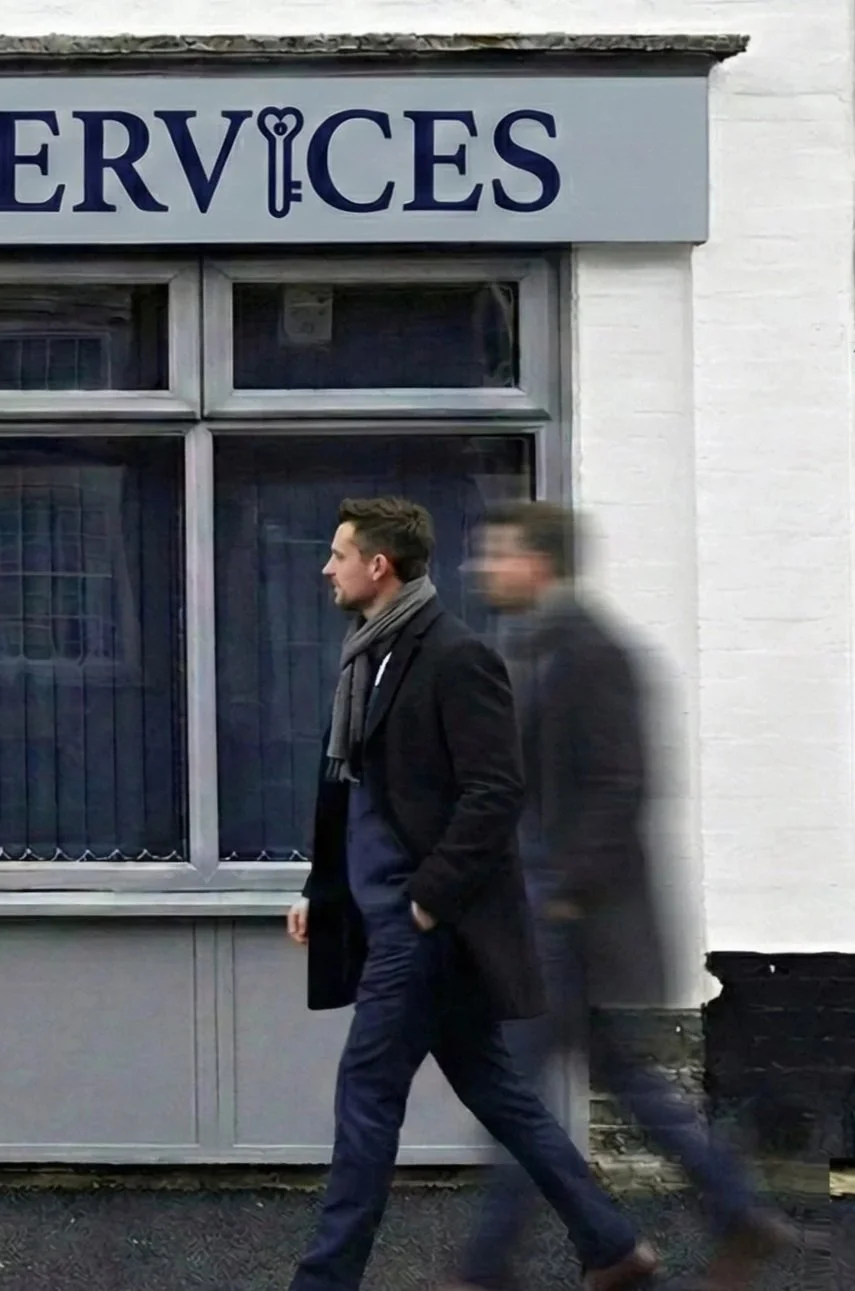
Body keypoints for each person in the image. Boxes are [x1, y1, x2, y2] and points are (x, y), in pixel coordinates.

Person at [285, 497, 656, 1291]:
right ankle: (611, 1244)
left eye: (337, 553)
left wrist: (426, 899)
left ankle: (322, 1283)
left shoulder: (453, 657)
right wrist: (320, 890)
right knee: (496, 1089)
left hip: (418, 927)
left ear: (377, 565)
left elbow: (494, 791)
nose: (327, 567)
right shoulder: (368, 656)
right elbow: (356, 796)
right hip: (391, 916)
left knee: (365, 1099)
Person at [441, 502, 801, 1291]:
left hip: (568, 918)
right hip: (547, 911)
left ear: (538, 561)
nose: (479, 569)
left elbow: (618, 783)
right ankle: (727, 1215)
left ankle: (485, 1269)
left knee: (514, 1090)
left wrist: (559, 897)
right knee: (618, 1085)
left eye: (494, 554)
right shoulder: (531, 645)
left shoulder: (593, 652)